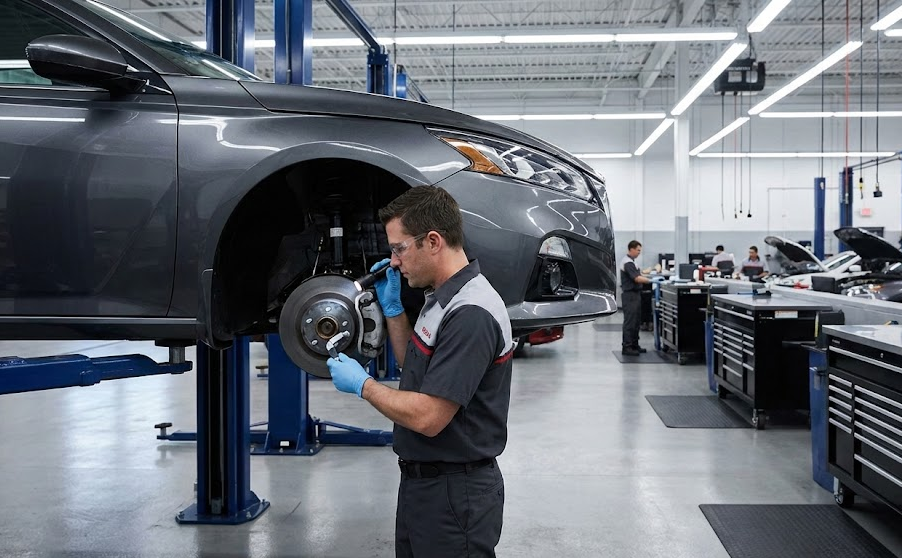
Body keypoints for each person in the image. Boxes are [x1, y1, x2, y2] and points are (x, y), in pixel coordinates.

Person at [326, 186, 513, 558]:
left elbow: (429, 417)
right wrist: (393, 309)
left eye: (399, 248)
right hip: (424, 485)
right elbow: (414, 366)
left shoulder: (470, 313)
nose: (394, 261)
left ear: (432, 241)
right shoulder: (441, 297)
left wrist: (364, 386)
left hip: (454, 494)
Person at [620, 240, 655, 356]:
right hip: (630, 295)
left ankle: (634, 345)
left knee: (636, 321)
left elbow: (639, 276)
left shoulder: (632, 262)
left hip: (635, 295)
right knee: (630, 322)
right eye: (638, 250)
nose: (639, 253)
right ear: (631, 249)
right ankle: (627, 346)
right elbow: (636, 278)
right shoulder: (628, 263)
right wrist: (651, 280)